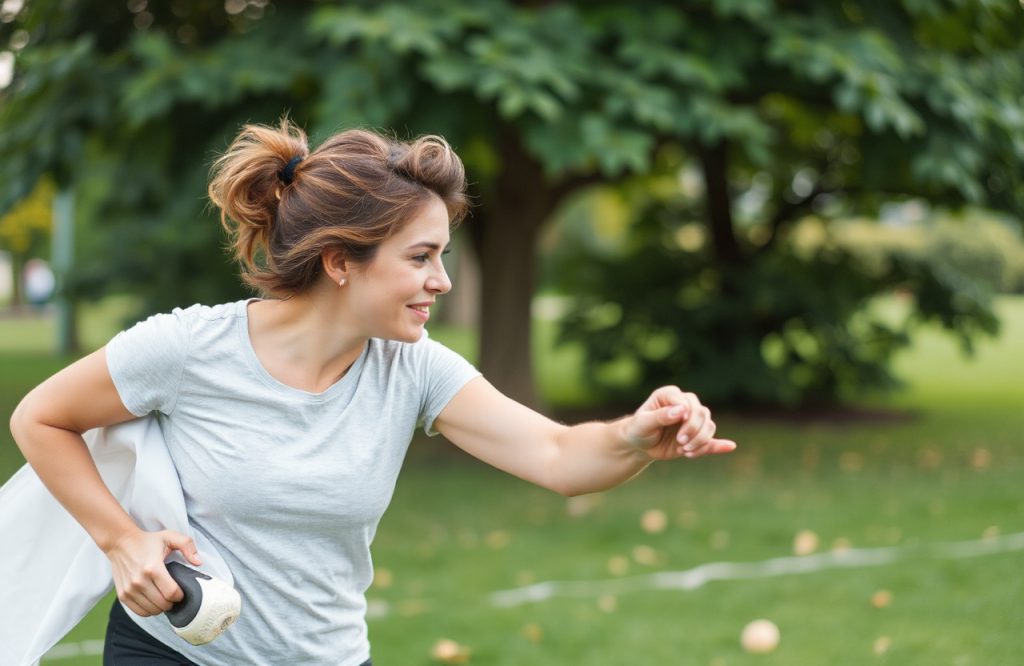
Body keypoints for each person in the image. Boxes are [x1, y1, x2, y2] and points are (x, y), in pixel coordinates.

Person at [9, 119, 737, 665]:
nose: (441, 282)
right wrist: (122, 541)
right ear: (339, 263)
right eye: (420, 258)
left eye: (443, 257)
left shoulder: (413, 367)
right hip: (174, 653)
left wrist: (632, 436)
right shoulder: (190, 349)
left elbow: (555, 455)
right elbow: (40, 417)